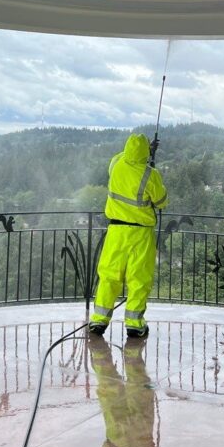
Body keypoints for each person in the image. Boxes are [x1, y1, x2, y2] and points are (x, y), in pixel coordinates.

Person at [89, 133, 168, 339]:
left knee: (108, 276)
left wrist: (143, 152)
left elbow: (126, 156)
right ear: (146, 151)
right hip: (141, 233)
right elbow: (161, 202)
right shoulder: (150, 175)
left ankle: (98, 320)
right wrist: (149, 159)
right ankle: (134, 324)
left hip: (116, 231)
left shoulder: (116, 163)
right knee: (139, 278)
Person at [89, 334, 165, 447]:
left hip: (140, 442)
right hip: (117, 445)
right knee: (110, 391)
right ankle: (99, 352)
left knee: (140, 391)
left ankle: (132, 353)